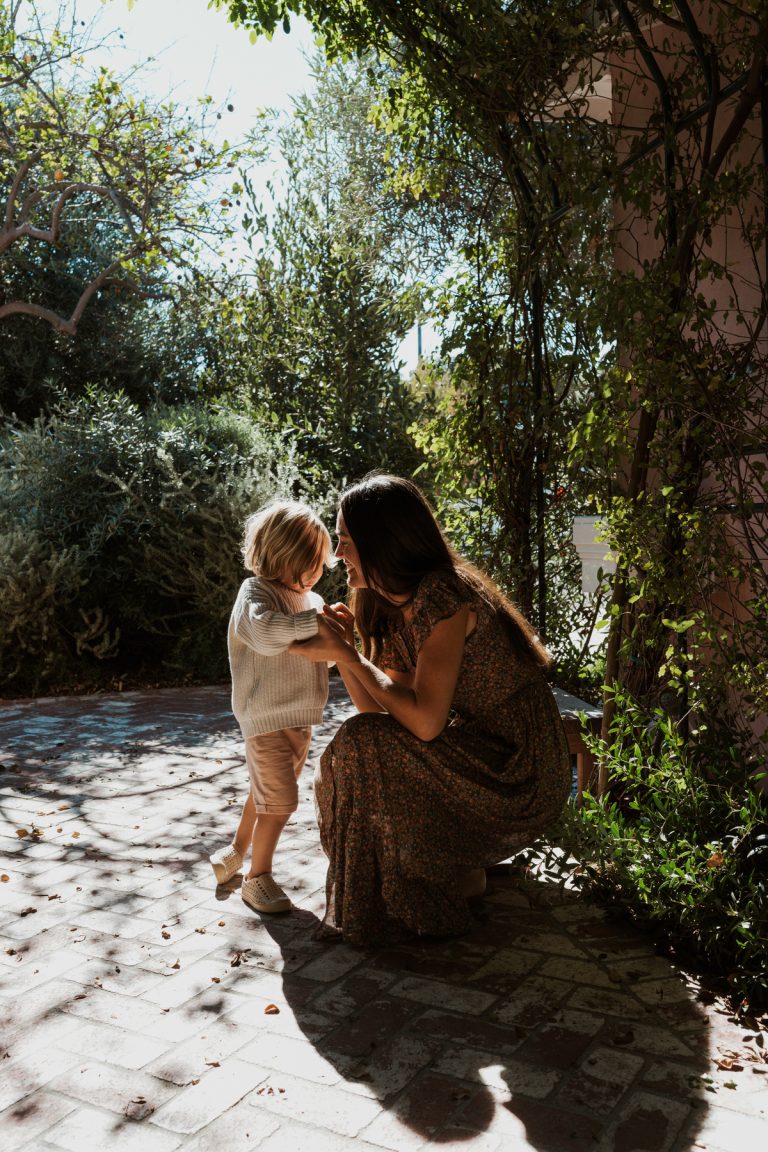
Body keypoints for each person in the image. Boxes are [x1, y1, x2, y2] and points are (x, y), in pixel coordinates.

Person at [291, 473, 571, 945]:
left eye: (345, 541)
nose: (338, 554)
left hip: (521, 766)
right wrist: (347, 650)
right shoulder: (386, 603)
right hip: (470, 748)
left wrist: (348, 656)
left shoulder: (444, 595)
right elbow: (378, 713)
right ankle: (445, 872)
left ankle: (432, 879)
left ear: (381, 542)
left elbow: (423, 723)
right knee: (353, 749)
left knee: (359, 748)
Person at [209, 499, 335, 915]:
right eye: (313, 563)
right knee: (280, 800)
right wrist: (315, 624)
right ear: (286, 557)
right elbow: (266, 634)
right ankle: (256, 877)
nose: (318, 573)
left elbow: (322, 655)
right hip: (263, 717)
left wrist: (337, 636)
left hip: (299, 717)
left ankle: (236, 851)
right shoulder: (256, 594)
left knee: (264, 790)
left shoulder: (311, 600)